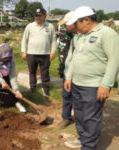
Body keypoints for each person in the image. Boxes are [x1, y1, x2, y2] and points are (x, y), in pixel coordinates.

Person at [64, 6, 119, 150]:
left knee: (91, 117)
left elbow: (114, 60)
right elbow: (75, 57)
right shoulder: (81, 35)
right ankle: (83, 138)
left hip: (94, 85)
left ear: (87, 20)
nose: (75, 27)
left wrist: (106, 84)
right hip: (77, 84)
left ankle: (88, 146)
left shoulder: (107, 34)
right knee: (80, 115)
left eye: (77, 23)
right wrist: (69, 77)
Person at [21, 7, 57, 96]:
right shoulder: (30, 26)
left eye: (40, 15)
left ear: (44, 16)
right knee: (32, 72)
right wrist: (24, 51)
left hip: (45, 54)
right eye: (36, 15)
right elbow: (24, 39)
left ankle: (46, 89)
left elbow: (53, 40)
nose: (38, 17)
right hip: (32, 54)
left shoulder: (50, 26)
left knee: (45, 73)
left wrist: (53, 52)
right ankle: (32, 88)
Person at [0, 43, 26, 114]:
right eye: (4, 58)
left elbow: (12, 75)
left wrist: (16, 90)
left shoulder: (11, 60)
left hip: (4, 71)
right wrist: (1, 81)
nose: (6, 60)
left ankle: (16, 102)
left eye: (8, 58)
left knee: (8, 84)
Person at [56, 12, 76, 129]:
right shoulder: (64, 32)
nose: (65, 26)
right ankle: (66, 117)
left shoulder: (80, 36)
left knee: (79, 96)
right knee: (66, 94)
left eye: (66, 24)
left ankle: (81, 119)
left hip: (78, 70)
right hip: (65, 68)